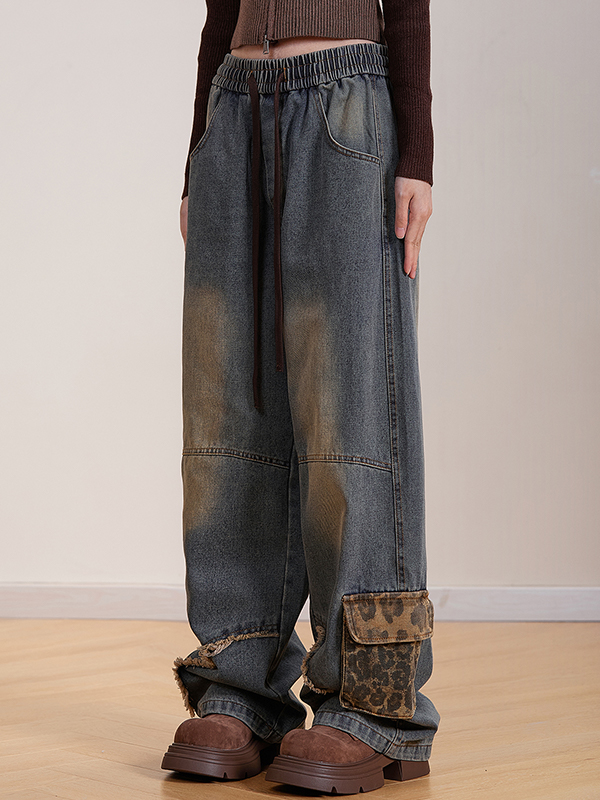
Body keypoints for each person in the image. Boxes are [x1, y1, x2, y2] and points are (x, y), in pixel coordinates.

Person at [161, 0, 440, 793]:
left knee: (353, 416)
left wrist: (416, 153)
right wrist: (198, 153)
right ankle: (239, 687)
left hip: (346, 110)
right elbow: (222, 10)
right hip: (236, 108)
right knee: (227, 415)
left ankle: (375, 705)